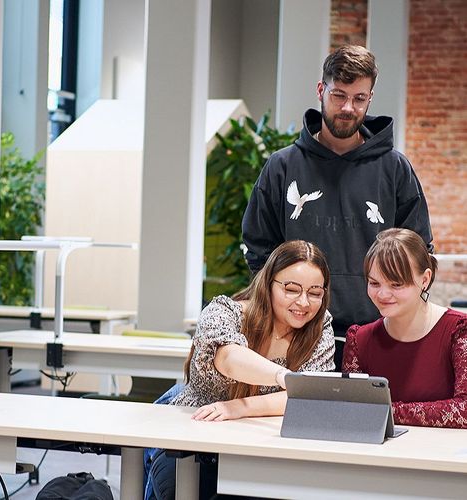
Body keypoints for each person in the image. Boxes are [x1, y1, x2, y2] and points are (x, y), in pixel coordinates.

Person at [241, 45, 433, 366]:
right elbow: (259, 248)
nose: (348, 107)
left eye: (359, 98)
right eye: (339, 95)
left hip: (378, 334)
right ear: (321, 90)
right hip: (297, 335)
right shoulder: (282, 166)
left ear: (370, 98)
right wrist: (286, 308)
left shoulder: (395, 169)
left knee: (374, 416)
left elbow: (417, 251)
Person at [144, 239, 335, 500]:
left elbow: (308, 395)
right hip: (195, 442)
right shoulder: (224, 312)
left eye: (315, 293)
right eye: (291, 289)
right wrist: (284, 377)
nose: (303, 303)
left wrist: (236, 407)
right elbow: (228, 358)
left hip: (267, 447)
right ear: (268, 283)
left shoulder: (320, 327)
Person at [342, 228, 467, 428]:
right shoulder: (359, 339)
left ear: (425, 280)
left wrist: (386, 410)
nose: (383, 294)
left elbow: (464, 410)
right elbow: (351, 409)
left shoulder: (459, 330)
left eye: (396, 285)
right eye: (374, 283)